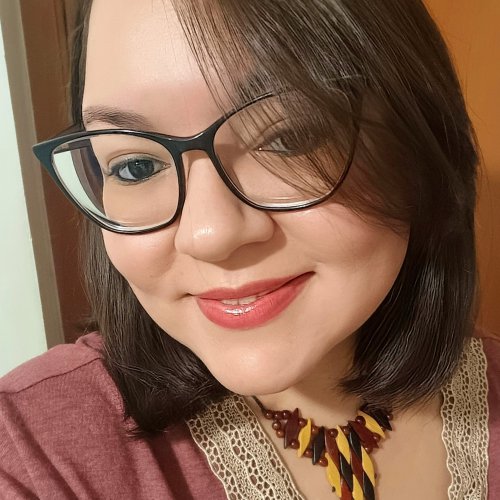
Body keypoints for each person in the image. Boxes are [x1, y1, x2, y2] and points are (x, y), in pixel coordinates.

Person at [1, 0, 498, 498]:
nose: (209, 234)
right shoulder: (30, 456)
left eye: (290, 138)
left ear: (420, 144)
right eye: (136, 166)